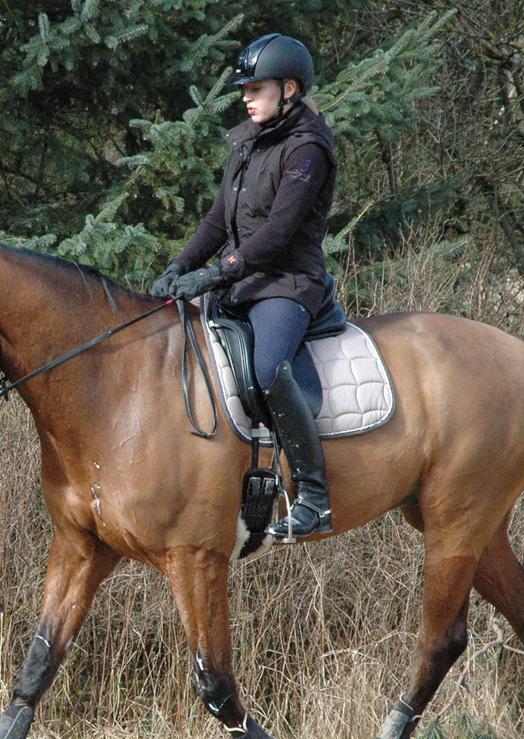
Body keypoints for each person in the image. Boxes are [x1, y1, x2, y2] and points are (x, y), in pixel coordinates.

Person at [149, 33, 337, 539]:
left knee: (268, 369)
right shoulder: (247, 143)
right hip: (244, 281)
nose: (246, 97)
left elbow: (277, 232)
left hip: (288, 284)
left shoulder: (308, 151)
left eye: (256, 88)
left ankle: (314, 498)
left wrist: (215, 272)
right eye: (245, 89)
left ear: (290, 89)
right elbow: (217, 221)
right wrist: (179, 267)